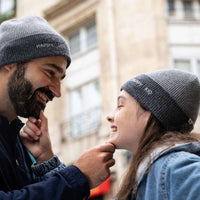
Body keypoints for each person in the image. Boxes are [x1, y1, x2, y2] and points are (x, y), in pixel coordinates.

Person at [0, 15, 115, 199]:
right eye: (50, 72)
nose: (57, 91)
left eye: (60, 78)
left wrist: (46, 160)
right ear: (10, 62)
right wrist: (79, 176)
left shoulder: (17, 138)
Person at [106, 69, 200, 200]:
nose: (109, 116)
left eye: (120, 105)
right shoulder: (146, 173)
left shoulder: (176, 168)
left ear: (150, 113)